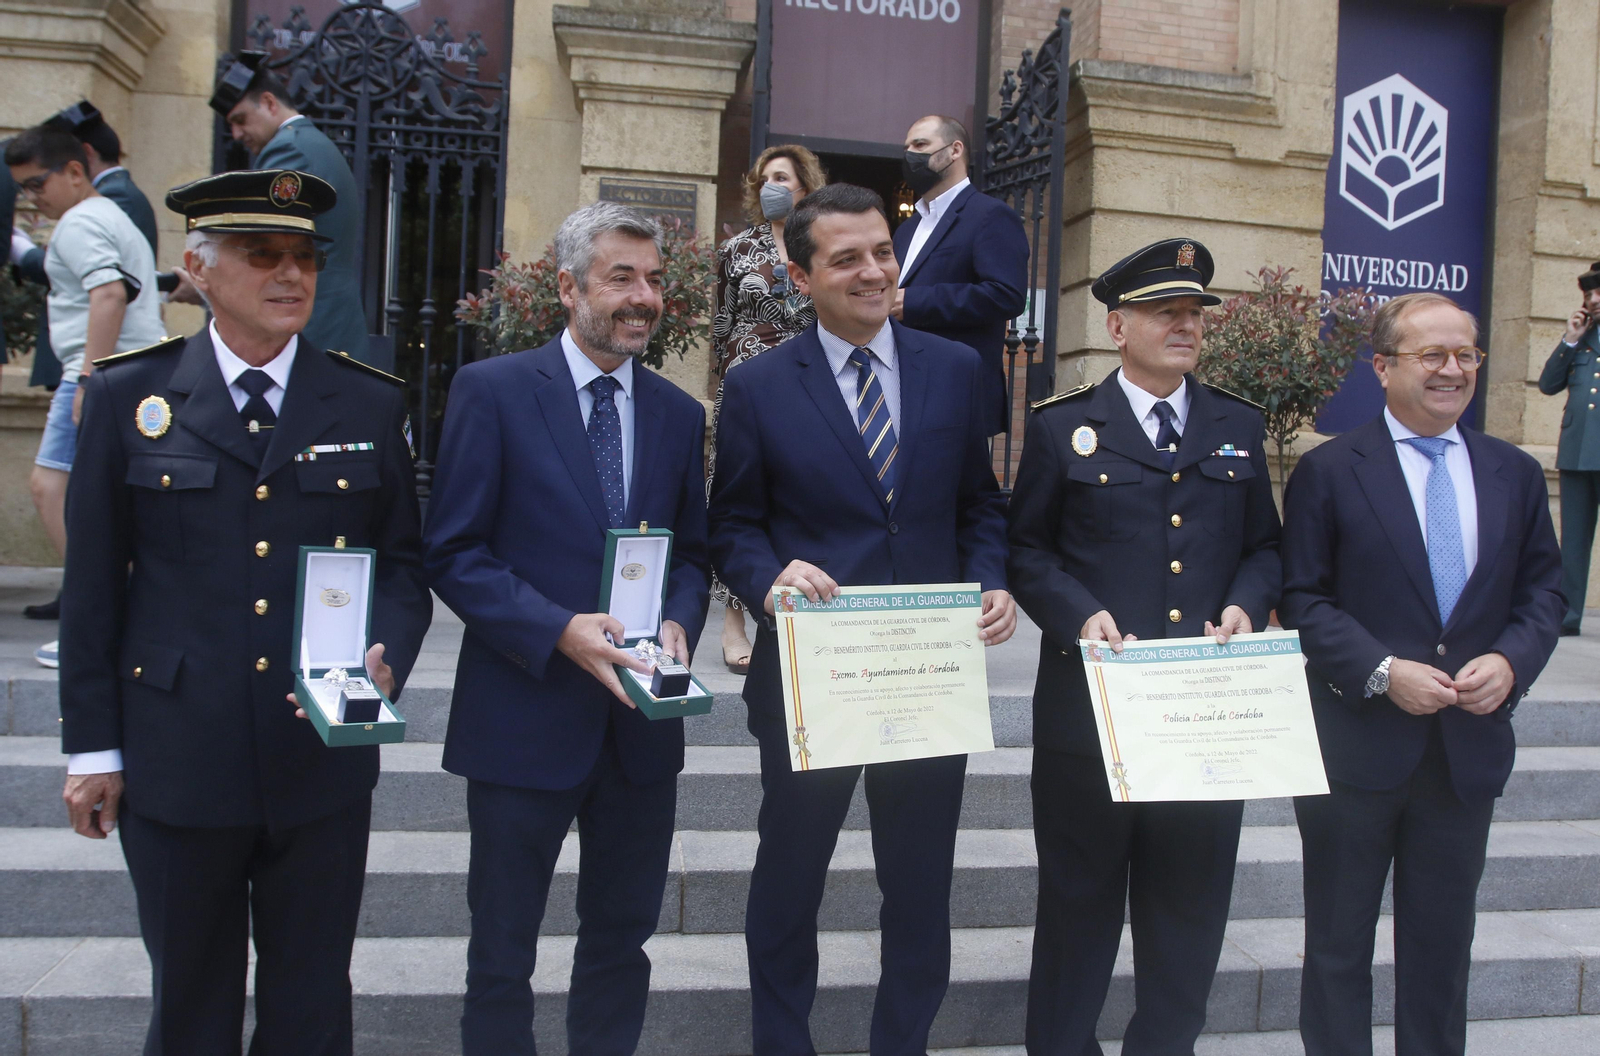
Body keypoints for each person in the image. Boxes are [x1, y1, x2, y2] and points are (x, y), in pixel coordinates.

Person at [57, 168, 433, 1055]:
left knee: (312, 1005)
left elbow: (403, 567)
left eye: (302, 257)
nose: (290, 276)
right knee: (191, 1002)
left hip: (320, 761)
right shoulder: (127, 398)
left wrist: (385, 654)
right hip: (179, 753)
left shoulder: (367, 400)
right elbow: (96, 588)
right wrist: (92, 747)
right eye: (262, 256)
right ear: (198, 268)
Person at [708, 183, 1015, 1055]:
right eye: (847, 258)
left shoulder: (954, 370)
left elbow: (978, 505)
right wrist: (767, 578)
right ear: (802, 276)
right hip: (815, 680)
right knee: (789, 884)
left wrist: (989, 578)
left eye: (882, 251)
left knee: (919, 893)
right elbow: (729, 523)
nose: (873, 271)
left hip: (927, 679)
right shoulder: (760, 386)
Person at [423, 201, 711, 1056]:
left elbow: (691, 553)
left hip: (639, 737)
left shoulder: (676, 413)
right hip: (523, 719)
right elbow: (454, 551)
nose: (643, 297)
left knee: (621, 945)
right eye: (621, 276)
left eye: (655, 280)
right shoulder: (494, 392)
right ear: (567, 286)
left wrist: (679, 622)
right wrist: (558, 631)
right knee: (501, 955)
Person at [1006, 238, 1282, 1055]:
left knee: (1190, 913)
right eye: (1168, 312)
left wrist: (1244, 604)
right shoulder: (1065, 428)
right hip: (1090, 718)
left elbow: (1266, 546)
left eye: (1195, 313)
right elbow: (1027, 551)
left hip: (1202, 717)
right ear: (1118, 325)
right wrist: (1077, 612)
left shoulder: (1239, 423)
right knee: (1077, 909)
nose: (1187, 325)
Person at [1280, 292, 1563, 1056]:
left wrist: (1511, 660)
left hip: (1462, 754)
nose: (1451, 370)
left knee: (1442, 952)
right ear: (1383, 367)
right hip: (1355, 750)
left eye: (1465, 354)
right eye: (1431, 354)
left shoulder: (1514, 472)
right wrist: (1381, 670)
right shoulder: (1330, 470)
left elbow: (1545, 592)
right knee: (1337, 949)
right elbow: (1302, 598)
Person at [5, 125, 164, 669]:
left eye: (36, 183)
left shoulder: (78, 223)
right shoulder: (112, 216)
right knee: (111, 504)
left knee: (50, 487)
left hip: (98, 372)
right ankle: (116, 618)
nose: (33, 197)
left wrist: (91, 375)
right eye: (23, 189)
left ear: (76, 170)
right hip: (134, 372)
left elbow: (109, 292)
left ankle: (98, 622)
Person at [709, 143, 824, 673]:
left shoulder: (817, 245)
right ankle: (735, 618)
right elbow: (721, 323)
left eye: (783, 177)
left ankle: (797, 605)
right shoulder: (736, 249)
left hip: (804, 384)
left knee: (795, 492)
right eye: (765, 179)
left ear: (805, 185)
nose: (772, 187)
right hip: (746, 379)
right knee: (739, 496)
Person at [207, 51, 369, 362]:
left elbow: (264, 243)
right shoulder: (308, 144)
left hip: (310, 331)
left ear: (269, 103)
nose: (236, 134)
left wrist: (211, 281)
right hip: (327, 324)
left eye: (240, 120)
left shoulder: (288, 151)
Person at [892, 114, 1028, 437]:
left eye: (921, 144)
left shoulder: (989, 215)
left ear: (955, 150)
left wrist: (913, 301)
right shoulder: (907, 229)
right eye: (907, 146)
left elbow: (1006, 294)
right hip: (904, 387)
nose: (911, 154)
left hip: (957, 391)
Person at [1537, 261, 1600, 635]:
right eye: (1587, 294)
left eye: (1597, 292)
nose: (1592, 300)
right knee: (1573, 541)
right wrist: (1570, 339)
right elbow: (1547, 384)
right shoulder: (1582, 338)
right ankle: (1569, 614)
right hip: (1578, 453)